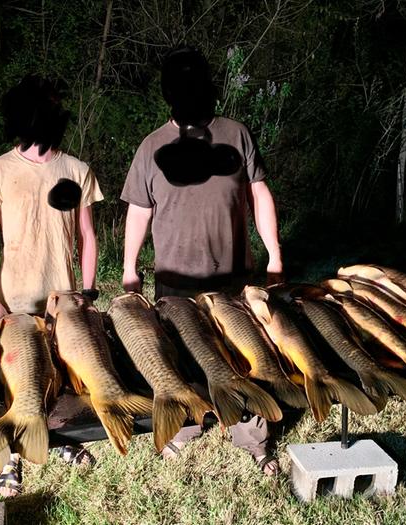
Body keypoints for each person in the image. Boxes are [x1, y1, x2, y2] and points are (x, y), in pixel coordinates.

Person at [120, 46, 284, 475]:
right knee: (181, 358)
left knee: (243, 354)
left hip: (233, 277)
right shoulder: (151, 146)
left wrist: (275, 257)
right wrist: (129, 268)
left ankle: (250, 433)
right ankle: (186, 425)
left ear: (209, 90)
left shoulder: (237, 134)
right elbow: (139, 210)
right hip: (175, 281)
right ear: (169, 95)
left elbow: (259, 195)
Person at [0, 75, 104, 497]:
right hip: (14, 302)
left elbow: (87, 236)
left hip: (62, 301)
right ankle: (8, 457)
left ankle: (55, 439)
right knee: (13, 381)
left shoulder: (77, 170)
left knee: (59, 380)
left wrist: (87, 290)